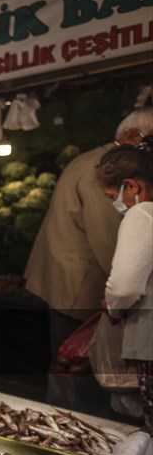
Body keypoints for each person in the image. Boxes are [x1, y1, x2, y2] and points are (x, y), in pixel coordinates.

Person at [25, 108, 152, 407]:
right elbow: (111, 241)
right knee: (73, 368)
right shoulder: (111, 170)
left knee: (70, 364)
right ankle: (67, 428)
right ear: (134, 137)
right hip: (79, 286)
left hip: (71, 280)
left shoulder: (99, 161)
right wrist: (122, 300)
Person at [97, 135, 153, 433]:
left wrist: (115, 310)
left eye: (111, 196)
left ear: (131, 186)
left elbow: (123, 287)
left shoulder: (142, 214)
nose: (114, 203)